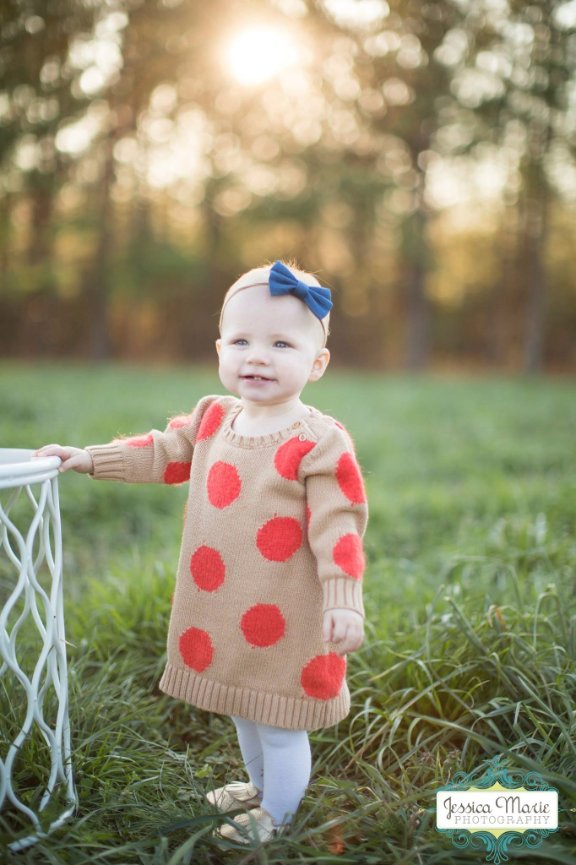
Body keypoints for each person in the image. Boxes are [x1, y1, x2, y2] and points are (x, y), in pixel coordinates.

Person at [36, 260, 368, 845]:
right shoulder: (213, 417)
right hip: (222, 605)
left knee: (279, 719)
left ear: (316, 364)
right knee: (243, 706)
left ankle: (278, 817)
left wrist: (344, 598)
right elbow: (162, 452)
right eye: (241, 341)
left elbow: (338, 522)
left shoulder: (319, 441)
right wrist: (90, 458)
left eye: (281, 344)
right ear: (220, 349)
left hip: (286, 615)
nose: (257, 356)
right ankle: (258, 788)